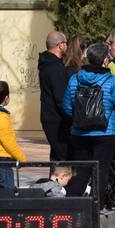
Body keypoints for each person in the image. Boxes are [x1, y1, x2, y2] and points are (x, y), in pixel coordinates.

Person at [61, 42, 115, 228]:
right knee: (100, 178)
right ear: (105, 60)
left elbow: (67, 105)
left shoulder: (75, 79)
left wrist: (79, 121)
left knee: (79, 177)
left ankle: (69, 227)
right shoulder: (111, 81)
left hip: (80, 135)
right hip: (106, 135)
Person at [38, 30, 71, 161]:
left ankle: (54, 181)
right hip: (57, 120)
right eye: (66, 43)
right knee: (64, 157)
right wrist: (71, 116)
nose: (67, 47)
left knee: (57, 157)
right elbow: (61, 97)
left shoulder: (46, 64)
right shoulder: (55, 67)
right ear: (60, 45)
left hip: (50, 117)